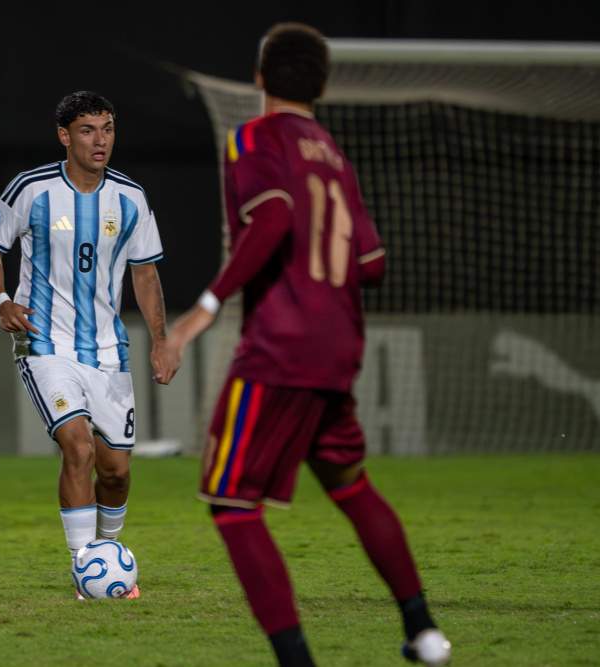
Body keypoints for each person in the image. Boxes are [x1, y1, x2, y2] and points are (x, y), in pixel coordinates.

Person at [154, 23, 452, 667]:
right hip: (338, 344)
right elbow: (372, 264)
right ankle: (425, 632)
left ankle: (297, 661)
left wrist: (200, 312)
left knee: (232, 502)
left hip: (280, 346)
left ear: (260, 78)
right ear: (322, 84)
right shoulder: (333, 152)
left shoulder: (254, 138)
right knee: (350, 485)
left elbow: (276, 216)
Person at [0, 91, 169, 599]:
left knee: (118, 472)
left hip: (108, 352)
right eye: (87, 130)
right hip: (45, 344)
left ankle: (108, 556)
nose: (99, 139)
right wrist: (1, 301)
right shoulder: (32, 188)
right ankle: (85, 569)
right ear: (65, 136)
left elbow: (145, 274)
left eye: (107, 128)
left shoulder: (130, 197)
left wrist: (161, 341)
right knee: (77, 447)